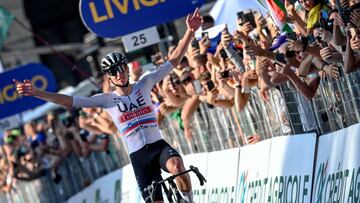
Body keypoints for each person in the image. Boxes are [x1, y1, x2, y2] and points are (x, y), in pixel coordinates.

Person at [14, 8, 203, 203]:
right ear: (110, 78)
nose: (120, 73)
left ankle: (188, 200)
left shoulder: (145, 83)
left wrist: (190, 31)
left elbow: (173, 61)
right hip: (140, 158)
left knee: (177, 166)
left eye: (121, 68)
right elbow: (67, 100)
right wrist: (36, 93)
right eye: (114, 71)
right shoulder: (106, 100)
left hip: (158, 146)